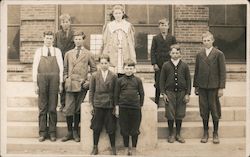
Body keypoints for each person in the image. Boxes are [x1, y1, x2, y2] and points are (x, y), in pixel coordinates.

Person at [62, 31, 97, 142]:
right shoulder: (68, 54)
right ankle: (69, 132)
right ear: (74, 40)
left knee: (77, 109)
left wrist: (89, 81)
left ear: (83, 40)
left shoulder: (88, 54)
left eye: (80, 39)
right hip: (70, 84)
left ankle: (76, 132)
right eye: (76, 39)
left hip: (82, 85)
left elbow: (94, 70)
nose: (78, 41)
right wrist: (65, 78)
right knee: (69, 109)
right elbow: (65, 69)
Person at [193, 31, 226, 144]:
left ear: (212, 41)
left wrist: (221, 87)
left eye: (208, 40)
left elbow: (222, 72)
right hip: (202, 87)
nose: (206, 42)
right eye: (204, 40)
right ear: (202, 42)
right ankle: (205, 132)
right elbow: (196, 71)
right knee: (204, 109)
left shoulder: (218, 54)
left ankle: (215, 132)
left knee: (214, 109)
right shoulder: (199, 54)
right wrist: (196, 86)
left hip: (214, 87)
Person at [32, 31, 63, 142]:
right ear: (43, 39)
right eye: (47, 38)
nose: (49, 40)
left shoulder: (57, 51)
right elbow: (35, 67)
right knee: (42, 108)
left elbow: (61, 67)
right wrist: (35, 84)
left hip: (54, 79)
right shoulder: (38, 51)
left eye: (50, 38)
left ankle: (52, 132)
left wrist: (60, 83)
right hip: (42, 79)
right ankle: (42, 133)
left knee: (52, 107)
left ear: (53, 40)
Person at [159, 44, 191, 143]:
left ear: (180, 54)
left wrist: (187, 93)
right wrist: (163, 93)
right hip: (170, 93)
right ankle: (171, 134)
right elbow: (162, 80)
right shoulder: (166, 65)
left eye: (177, 53)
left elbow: (189, 80)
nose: (175, 54)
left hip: (181, 93)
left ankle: (178, 134)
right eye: (173, 53)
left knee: (180, 113)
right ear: (170, 53)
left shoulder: (184, 65)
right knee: (170, 114)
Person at [114, 59, 144, 156]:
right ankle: (126, 148)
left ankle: (134, 148)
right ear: (123, 69)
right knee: (124, 129)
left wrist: (140, 105)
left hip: (135, 108)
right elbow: (116, 95)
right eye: (127, 68)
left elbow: (142, 93)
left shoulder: (138, 80)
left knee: (135, 129)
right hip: (123, 108)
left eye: (131, 68)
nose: (129, 70)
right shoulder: (119, 81)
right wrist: (117, 107)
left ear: (134, 69)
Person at [89, 54, 117, 155]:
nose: (104, 65)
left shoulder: (113, 76)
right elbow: (91, 91)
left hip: (109, 104)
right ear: (98, 64)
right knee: (96, 126)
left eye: (106, 63)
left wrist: (115, 106)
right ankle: (95, 147)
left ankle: (113, 147)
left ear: (109, 64)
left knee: (111, 127)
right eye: (102, 63)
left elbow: (115, 92)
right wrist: (91, 105)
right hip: (98, 104)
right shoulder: (94, 75)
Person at [102, 4, 136, 77]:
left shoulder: (128, 25)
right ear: (113, 14)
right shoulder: (109, 26)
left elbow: (131, 42)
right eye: (116, 13)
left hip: (125, 52)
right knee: (113, 73)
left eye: (119, 13)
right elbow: (106, 42)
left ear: (123, 14)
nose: (118, 15)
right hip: (113, 52)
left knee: (124, 70)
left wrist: (132, 55)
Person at [150, 18, 177, 106]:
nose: (163, 27)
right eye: (162, 25)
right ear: (159, 27)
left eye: (165, 25)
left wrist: (174, 62)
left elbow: (176, 50)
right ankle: (157, 102)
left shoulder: (172, 38)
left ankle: (170, 101)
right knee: (158, 83)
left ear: (168, 26)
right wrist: (154, 63)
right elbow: (152, 51)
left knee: (169, 82)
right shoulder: (156, 38)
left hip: (169, 63)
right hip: (159, 64)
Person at [54, 13, 75, 112]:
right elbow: (54, 48)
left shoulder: (74, 34)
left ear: (70, 23)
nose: (65, 24)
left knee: (69, 81)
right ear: (61, 23)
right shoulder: (57, 34)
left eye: (67, 22)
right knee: (62, 82)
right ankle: (62, 104)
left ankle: (69, 104)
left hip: (71, 61)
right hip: (61, 61)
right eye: (63, 22)